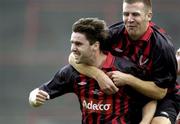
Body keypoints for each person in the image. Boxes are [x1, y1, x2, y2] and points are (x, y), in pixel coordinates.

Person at [29, 17, 157, 124]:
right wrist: (35, 99)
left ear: (95, 45)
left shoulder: (125, 69)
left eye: (78, 44)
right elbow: (37, 94)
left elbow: (150, 99)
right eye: (72, 43)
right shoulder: (71, 72)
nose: (72, 48)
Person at [69, 0, 178, 124]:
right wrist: (99, 75)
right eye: (126, 14)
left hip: (162, 98)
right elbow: (73, 57)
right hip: (126, 96)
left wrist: (128, 79)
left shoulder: (162, 47)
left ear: (149, 16)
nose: (129, 19)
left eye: (135, 14)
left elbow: (160, 92)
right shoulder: (112, 34)